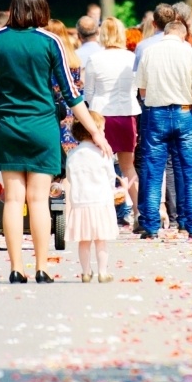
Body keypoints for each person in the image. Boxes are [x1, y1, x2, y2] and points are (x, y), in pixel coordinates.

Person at [0, 0, 109, 282]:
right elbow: (71, 94)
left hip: (8, 126)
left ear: (14, 8)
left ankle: (16, 268)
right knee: (38, 200)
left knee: (13, 199)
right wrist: (95, 131)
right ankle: (42, 267)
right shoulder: (51, 42)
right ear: (41, 9)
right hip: (42, 126)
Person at [134, 17, 192, 239]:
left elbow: (142, 91)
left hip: (156, 114)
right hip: (185, 113)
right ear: (183, 35)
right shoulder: (191, 53)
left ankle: (151, 226)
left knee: (153, 172)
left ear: (165, 33)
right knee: (190, 172)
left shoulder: (149, 52)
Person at [80, 17, 140, 226]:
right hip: (126, 112)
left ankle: (101, 211)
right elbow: (135, 88)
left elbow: (87, 93)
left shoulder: (95, 59)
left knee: (100, 165)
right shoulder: (131, 58)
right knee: (128, 166)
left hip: (101, 114)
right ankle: (137, 210)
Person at [66, 111, 121, 283]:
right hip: (100, 201)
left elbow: (69, 176)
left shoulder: (72, 154)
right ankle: (102, 272)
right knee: (100, 240)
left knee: (84, 241)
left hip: (80, 202)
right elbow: (111, 177)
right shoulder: (104, 153)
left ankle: (85, 271)